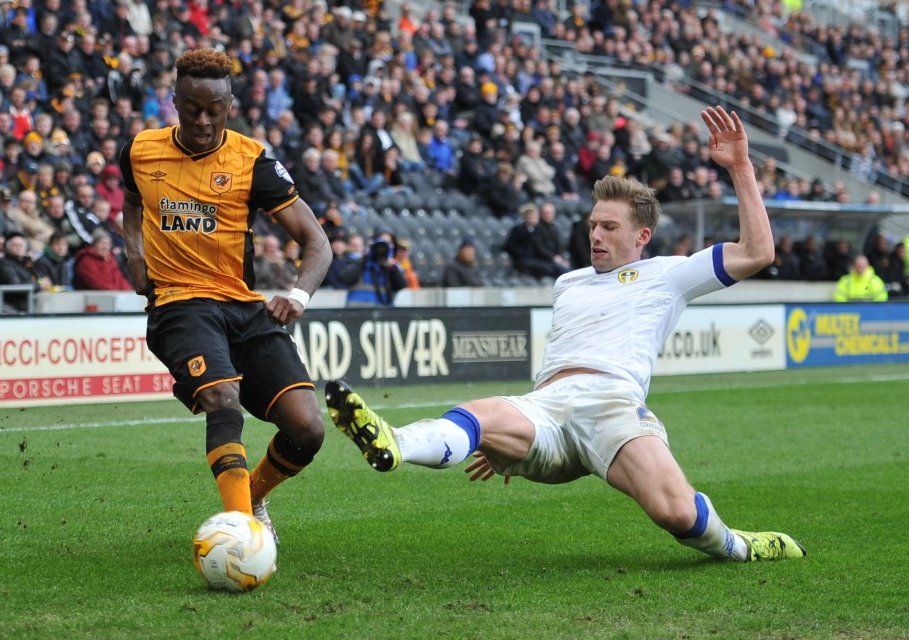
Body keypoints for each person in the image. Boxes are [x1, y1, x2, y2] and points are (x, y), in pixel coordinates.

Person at [325, 107, 807, 563]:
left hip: (612, 404)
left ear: (641, 236)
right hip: (548, 407)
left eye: (609, 227)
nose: (595, 234)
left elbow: (757, 251)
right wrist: (504, 440)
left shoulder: (670, 274)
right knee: (479, 414)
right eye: (593, 224)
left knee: (675, 512)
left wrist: (741, 168)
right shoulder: (568, 282)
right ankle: (393, 441)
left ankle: (738, 546)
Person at [120, 49, 333, 542]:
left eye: (214, 108)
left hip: (243, 305)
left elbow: (316, 242)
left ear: (230, 105)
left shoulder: (252, 160)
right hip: (179, 303)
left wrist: (298, 297)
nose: (202, 119)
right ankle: (240, 531)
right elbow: (133, 204)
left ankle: (253, 495)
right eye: (192, 107)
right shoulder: (140, 151)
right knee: (222, 397)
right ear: (174, 101)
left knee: (307, 429)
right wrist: (134, 257)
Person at [344, 231, 408, 306]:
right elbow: (346, 279)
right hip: (357, 311)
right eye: (381, 241)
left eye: (388, 242)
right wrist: (365, 258)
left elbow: (401, 285)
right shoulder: (357, 260)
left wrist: (391, 267)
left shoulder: (393, 266)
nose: (383, 246)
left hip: (382, 312)